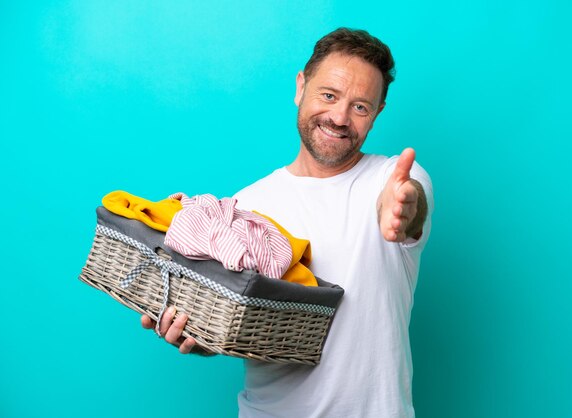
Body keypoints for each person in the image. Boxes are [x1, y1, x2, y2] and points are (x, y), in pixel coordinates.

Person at [141, 27, 434, 417]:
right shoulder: (244, 206)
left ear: (377, 114)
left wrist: (403, 208)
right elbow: (234, 323)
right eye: (328, 95)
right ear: (301, 87)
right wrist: (202, 337)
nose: (339, 117)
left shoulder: (393, 179)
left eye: (360, 107)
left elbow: (410, 207)